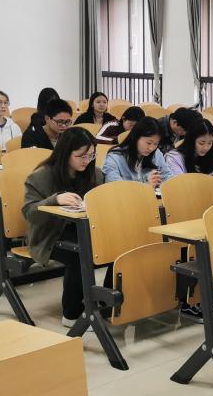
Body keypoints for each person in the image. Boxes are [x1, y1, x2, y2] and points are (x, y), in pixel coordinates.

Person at [22, 127, 111, 327]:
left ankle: (107, 304)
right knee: (80, 255)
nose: (87, 161)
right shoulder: (41, 176)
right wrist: (54, 200)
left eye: (91, 155)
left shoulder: (95, 174)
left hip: (85, 230)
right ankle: (72, 313)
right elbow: (29, 213)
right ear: (65, 153)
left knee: (120, 244)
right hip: (50, 236)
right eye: (81, 156)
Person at [101, 117, 171, 187]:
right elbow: (115, 188)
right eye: (148, 143)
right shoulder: (115, 158)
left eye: (156, 144)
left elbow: (168, 177)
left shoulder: (156, 154)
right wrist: (146, 186)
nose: (151, 148)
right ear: (136, 137)